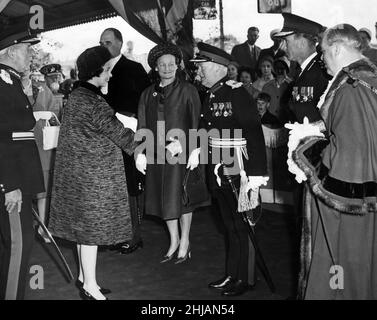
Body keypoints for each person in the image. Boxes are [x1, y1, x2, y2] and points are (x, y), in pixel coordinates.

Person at [287, 24, 377, 299]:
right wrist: (319, 129)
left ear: (337, 49)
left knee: (339, 275)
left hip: (350, 210)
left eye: (323, 52)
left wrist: (305, 147)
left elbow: (348, 160)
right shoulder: (367, 79)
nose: (322, 57)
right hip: (367, 199)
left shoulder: (351, 87)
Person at [48, 46, 138, 300]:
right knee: (90, 233)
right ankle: (89, 286)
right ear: (95, 72)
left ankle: (84, 277)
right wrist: (151, 146)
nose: (110, 75)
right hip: (92, 178)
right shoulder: (91, 101)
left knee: (81, 229)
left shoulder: (77, 95)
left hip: (79, 174)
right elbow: (120, 134)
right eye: (107, 70)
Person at [192, 42, 268, 296]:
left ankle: (245, 278)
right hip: (219, 169)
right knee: (229, 224)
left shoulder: (237, 92)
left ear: (217, 68)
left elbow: (254, 134)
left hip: (240, 171)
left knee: (243, 224)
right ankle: (232, 274)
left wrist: (256, 176)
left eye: (202, 68)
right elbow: (207, 129)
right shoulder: (211, 93)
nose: (198, 73)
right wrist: (194, 147)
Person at [135, 43, 203, 264]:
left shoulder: (188, 90)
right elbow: (142, 126)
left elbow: (197, 123)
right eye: (162, 64)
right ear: (155, 67)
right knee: (164, 199)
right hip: (156, 154)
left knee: (181, 197)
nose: (166, 68)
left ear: (177, 66)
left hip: (181, 154)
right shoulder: (147, 94)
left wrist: (192, 149)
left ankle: (185, 241)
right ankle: (173, 240)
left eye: (171, 64)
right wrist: (140, 153)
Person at [0, 35, 45, 300]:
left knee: (14, 243)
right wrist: (10, 184)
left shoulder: (11, 79)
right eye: (27, 50)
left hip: (17, 173)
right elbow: (3, 137)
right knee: (19, 244)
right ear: (10, 51)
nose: (31, 55)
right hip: (11, 177)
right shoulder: (2, 82)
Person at [100, 28, 150, 255]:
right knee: (112, 186)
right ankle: (116, 234)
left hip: (129, 133)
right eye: (101, 43)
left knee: (131, 185)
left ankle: (134, 236)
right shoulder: (98, 70)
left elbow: (145, 101)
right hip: (105, 136)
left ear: (120, 43)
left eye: (108, 42)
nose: (104, 47)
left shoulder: (133, 68)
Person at [275, 13, 329, 123]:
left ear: (301, 43)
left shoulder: (319, 72)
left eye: (286, 41)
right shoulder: (305, 69)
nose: (283, 47)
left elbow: (307, 116)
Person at [32, 64, 64, 243]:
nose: (56, 80)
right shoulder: (41, 91)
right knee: (44, 191)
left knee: (46, 190)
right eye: (53, 77)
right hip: (42, 146)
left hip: (49, 146)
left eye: (58, 77)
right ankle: (44, 229)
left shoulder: (52, 93)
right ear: (46, 78)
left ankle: (43, 226)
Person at [262, 56, 292, 123]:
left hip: (286, 123)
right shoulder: (267, 86)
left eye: (282, 68)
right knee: (237, 132)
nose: (279, 70)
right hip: (269, 122)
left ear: (287, 70)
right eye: (277, 68)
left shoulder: (292, 85)